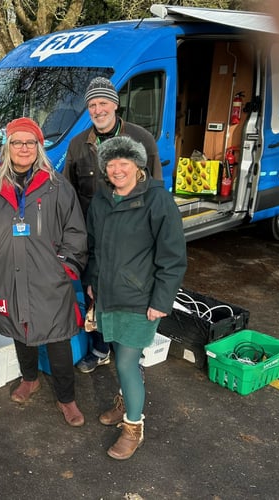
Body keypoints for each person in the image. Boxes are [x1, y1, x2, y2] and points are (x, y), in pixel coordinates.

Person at [0, 117, 88, 427]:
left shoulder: (57, 185)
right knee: (20, 328)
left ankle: (67, 398)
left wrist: (65, 266)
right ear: (7, 147)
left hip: (49, 276)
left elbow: (76, 231)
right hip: (8, 273)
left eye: (30, 142)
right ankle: (30, 379)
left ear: (39, 147)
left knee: (57, 336)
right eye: (17, 142)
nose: (23, 148)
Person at [84, 135, 187, 459]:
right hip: (107, 293)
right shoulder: (101, 200)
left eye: (123, 162)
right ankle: (125, 401)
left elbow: (172, 257)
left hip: (140, 298)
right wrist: (91, 281)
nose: (117, 169)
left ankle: (133, 427)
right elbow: (94, 247)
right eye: (111, 163)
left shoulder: (158, 200)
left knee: (127, 362)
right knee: (117, 354)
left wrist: (161, 300)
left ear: (138, 165)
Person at [64, 76, 162, 374]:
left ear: (115, 104)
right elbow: (69, 196)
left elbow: (156, 190)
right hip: (91, 238)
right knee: (93, 291)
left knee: (129, 292)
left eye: (103, 102)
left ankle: (130, 350)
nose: (97, 109)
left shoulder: (141, 138)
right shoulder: (78, 145)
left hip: (131, 237)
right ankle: (99, 347)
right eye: (92, 104)